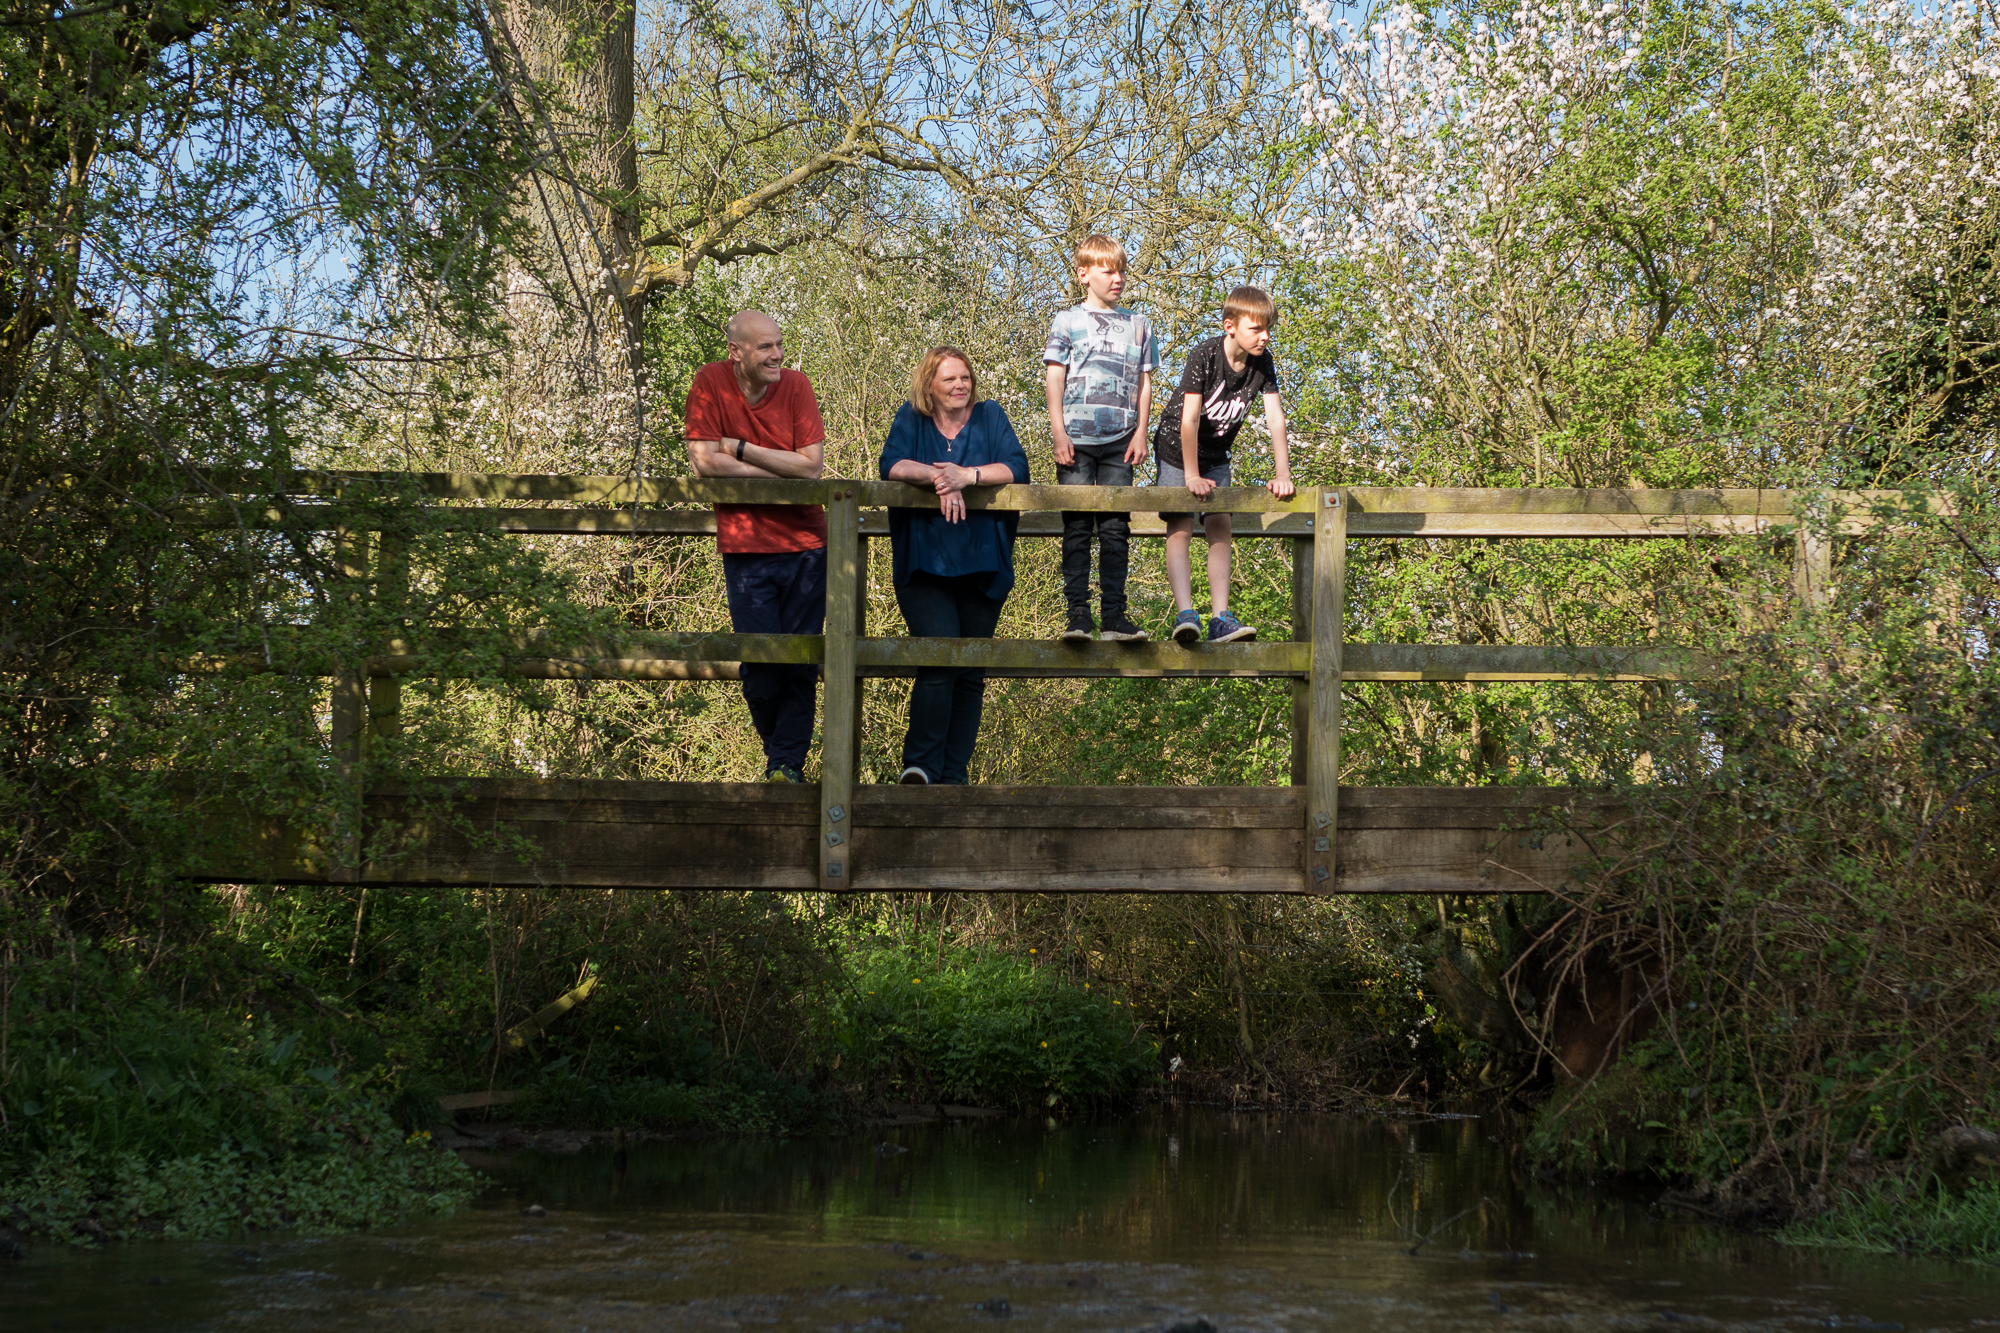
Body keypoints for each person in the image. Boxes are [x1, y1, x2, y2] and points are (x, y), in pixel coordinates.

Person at [685, 310, 827, 783]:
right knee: (763, 666)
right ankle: (779, 752)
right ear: (737, 352)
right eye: (766, 347)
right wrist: (778, 471)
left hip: (807, 544)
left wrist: (740, 449)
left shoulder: (797, 386)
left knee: (801, 664)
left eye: (779, 344)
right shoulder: (709, 382)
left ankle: (785, 766)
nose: (777, 355)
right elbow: (706, 463)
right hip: (746, 547)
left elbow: (810, 469)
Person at [879, 346, 1032, 785]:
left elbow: (1017, 468)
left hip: (983, 563)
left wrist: (969, 476)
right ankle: (921, 766)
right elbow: (892, 465)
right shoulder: (912, 419)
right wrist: (938, 478)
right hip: (926, 564)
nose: (960, 385)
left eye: (964, 377)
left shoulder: (990, 416)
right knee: (940, 655)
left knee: (970, 672)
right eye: (949, 379)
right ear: (930, 385)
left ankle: (953, 775)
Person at [1152, 285, 1296, 645]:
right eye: (1256, 329)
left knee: (1220, 526)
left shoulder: (1262, 362)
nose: (1264, 337)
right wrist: (1190, 476)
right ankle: (1186, 614)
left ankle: (1221, 618)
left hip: (1216, 455)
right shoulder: (1204, 354)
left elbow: (1275, 418)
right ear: (1230, 325)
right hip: (1177, 448)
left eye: (1268, 329)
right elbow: (1188, 421)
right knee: (1181, 523)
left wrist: (1283, 474)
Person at [1043, 234, 1158, 644]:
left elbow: (1144, 383)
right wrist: (1058, 431)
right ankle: (1077, 615)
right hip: (1074, 436)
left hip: (1121, 440)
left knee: (1114, 528)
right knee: (1076, 527)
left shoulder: (1139, 325)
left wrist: (1141, 431)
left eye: (1122, 271)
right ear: (1084, 274)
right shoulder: (1066, 321)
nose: (1117, 278)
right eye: (1108, 271)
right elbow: (1055, 378)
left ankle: (1114, 616)